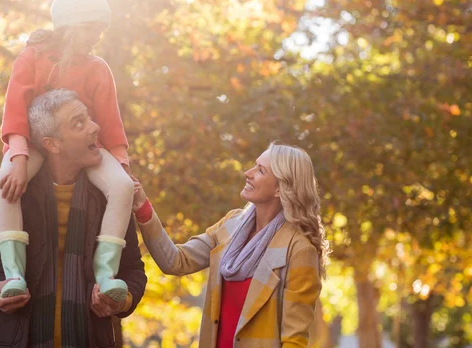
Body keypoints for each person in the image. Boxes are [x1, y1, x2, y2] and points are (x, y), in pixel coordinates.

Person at [0, 89, 147, 348]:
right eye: (78, 123)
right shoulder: (3, 189)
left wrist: (122, 300)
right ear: (52, 144)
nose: (95, 128)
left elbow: (133, 270)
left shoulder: (111, 196)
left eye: (89, 118)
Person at [0, 0, 134, 303]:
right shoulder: (31, 58)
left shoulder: (99, 69)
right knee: (5, 184)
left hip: (82, 146)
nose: (96, 37)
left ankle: (106, 273)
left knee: (123, 188)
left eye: (100, 30)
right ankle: (14, 273)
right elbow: (14, 111)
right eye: (91, 28)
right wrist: (17, 160)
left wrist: (123, 168)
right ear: (70, 26)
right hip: (32, 143)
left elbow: (111, 126)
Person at [132, 143, 329, 347]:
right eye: (254, 165)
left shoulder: (299, 249)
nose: (247, 173)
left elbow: (294, 341)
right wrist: (143, 209)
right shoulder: (230, 225)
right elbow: (175, 261)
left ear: (281, 189)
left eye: (260, 171)